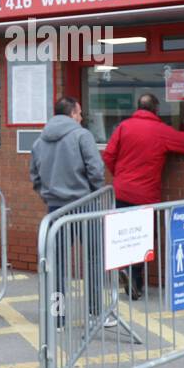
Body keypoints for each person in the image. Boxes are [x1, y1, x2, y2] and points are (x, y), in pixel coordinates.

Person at [102, 92, 184, 298]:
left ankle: (124, 270)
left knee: (123, 234)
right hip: (145, 195)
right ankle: (136, 281)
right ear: (156, 109)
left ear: (138, 107)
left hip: (122, 190)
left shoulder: (123, 127)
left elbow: (108, 154)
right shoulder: (160, 130)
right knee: (141, 238)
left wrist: (119, 175)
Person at [30, 97, 112, 327]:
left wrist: (48, 193)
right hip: (85, 205)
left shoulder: (40, 140)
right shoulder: (82, 135)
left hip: (56, 209)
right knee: (94, 260)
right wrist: (94, 192)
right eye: (80, 113)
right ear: (72, 113)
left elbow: (34, 175)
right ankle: (96, 313)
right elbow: (96, 170)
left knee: (56, 265)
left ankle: (58, 316)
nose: (82, 117)